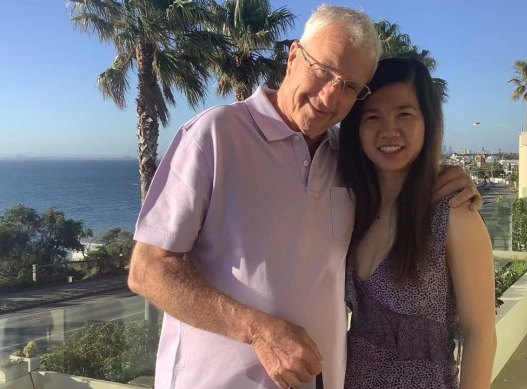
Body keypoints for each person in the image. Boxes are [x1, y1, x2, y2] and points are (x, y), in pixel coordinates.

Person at [128, 6, 482, 389]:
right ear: (293, 57)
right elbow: (147, 270)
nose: (330, 96)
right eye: (323, 71)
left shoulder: (346, 163)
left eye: (349, 87)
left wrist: (448, 179)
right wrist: (258, 331)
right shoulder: (215, 136)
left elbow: (398, 186)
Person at [339, 58, 496, 389]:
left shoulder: (452, 213)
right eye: (372, 117)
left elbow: (480, 333)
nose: (389, 130)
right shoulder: (352, 208)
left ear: (428, 122)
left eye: (404, 114)